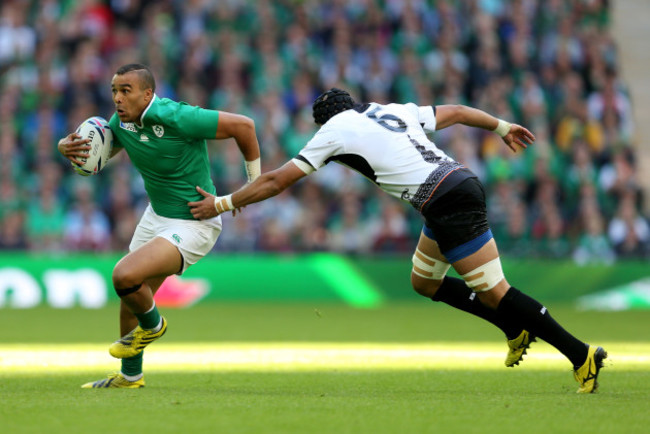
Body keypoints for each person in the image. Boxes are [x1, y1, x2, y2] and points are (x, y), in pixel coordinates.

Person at [189, 88, 607, 394]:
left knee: (496, 290)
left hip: (445, 201)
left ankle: (581, 354)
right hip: (452, 186)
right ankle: (511, 327)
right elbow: (458, 111)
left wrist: (223, 203)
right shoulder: (389, 109)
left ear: (324, 120)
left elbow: (278, 179)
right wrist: (501, 126)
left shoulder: (333, 130)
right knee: (423, 282)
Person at [57, 64, 261, 388]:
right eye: (114, 91)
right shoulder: (120, 124)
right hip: (156, 217)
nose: (118, 99)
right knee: (131, 295)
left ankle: (152, 325)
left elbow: (245, 127)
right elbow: (96, 157)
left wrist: (251, 185)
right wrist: (65, 149)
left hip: (194, 222)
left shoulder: (178, 116)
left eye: (126, 91)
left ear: (148, 94)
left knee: (124, 275)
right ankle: (130, 376)